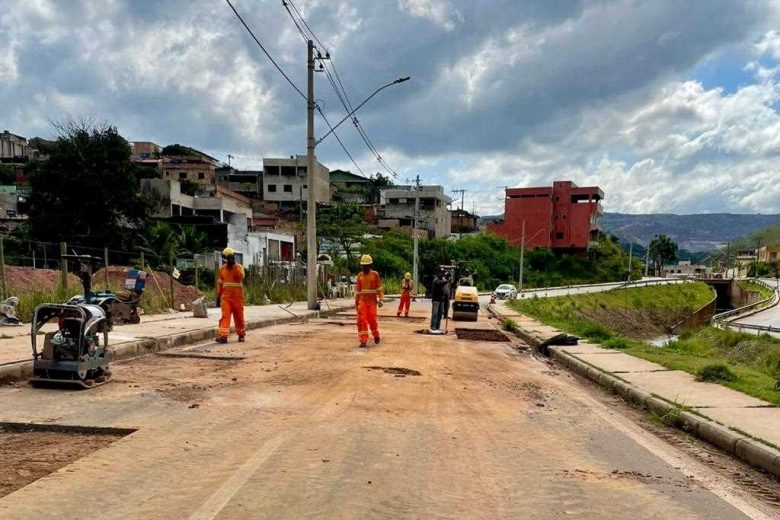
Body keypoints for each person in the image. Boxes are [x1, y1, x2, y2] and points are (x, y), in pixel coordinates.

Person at [215, 247, 245, 343]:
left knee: (239, 317)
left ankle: (241, 335)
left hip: (237, 299)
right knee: (225, 316)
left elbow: (241, 276)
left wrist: (234, 266)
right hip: (226, 298)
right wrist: (218, 296)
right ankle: (223, 336)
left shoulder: (239, 267)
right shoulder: (222, 269)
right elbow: (220, 284)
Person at [355, 254, 384, 348]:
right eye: (363, 266)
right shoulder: (360, 276)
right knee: (362, 320)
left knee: (372, 320)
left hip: (372, 302)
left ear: (370, 266)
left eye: (366, 266)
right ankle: (363, 341)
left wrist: (381, 299)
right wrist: (356, 304)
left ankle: (376, 335)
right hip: (362, 302)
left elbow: (379, 288)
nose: (365, 268)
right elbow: (358, 292)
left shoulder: (375, 275)